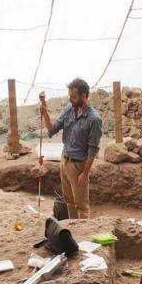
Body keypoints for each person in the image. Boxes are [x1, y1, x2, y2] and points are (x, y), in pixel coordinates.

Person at [40, 78, 103, 219]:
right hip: (65, 161)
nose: (71, 100)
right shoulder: (69, 110)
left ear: (84, 96)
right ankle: (73, 232)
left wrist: (85, 173)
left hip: (79, 166)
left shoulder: (94, 119)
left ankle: (83, 235)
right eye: (70, 96)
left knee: (82, 205)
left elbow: (93, 150)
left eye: (74, 97)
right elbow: (52, 129)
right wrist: (45, 112)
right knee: (69, 202)